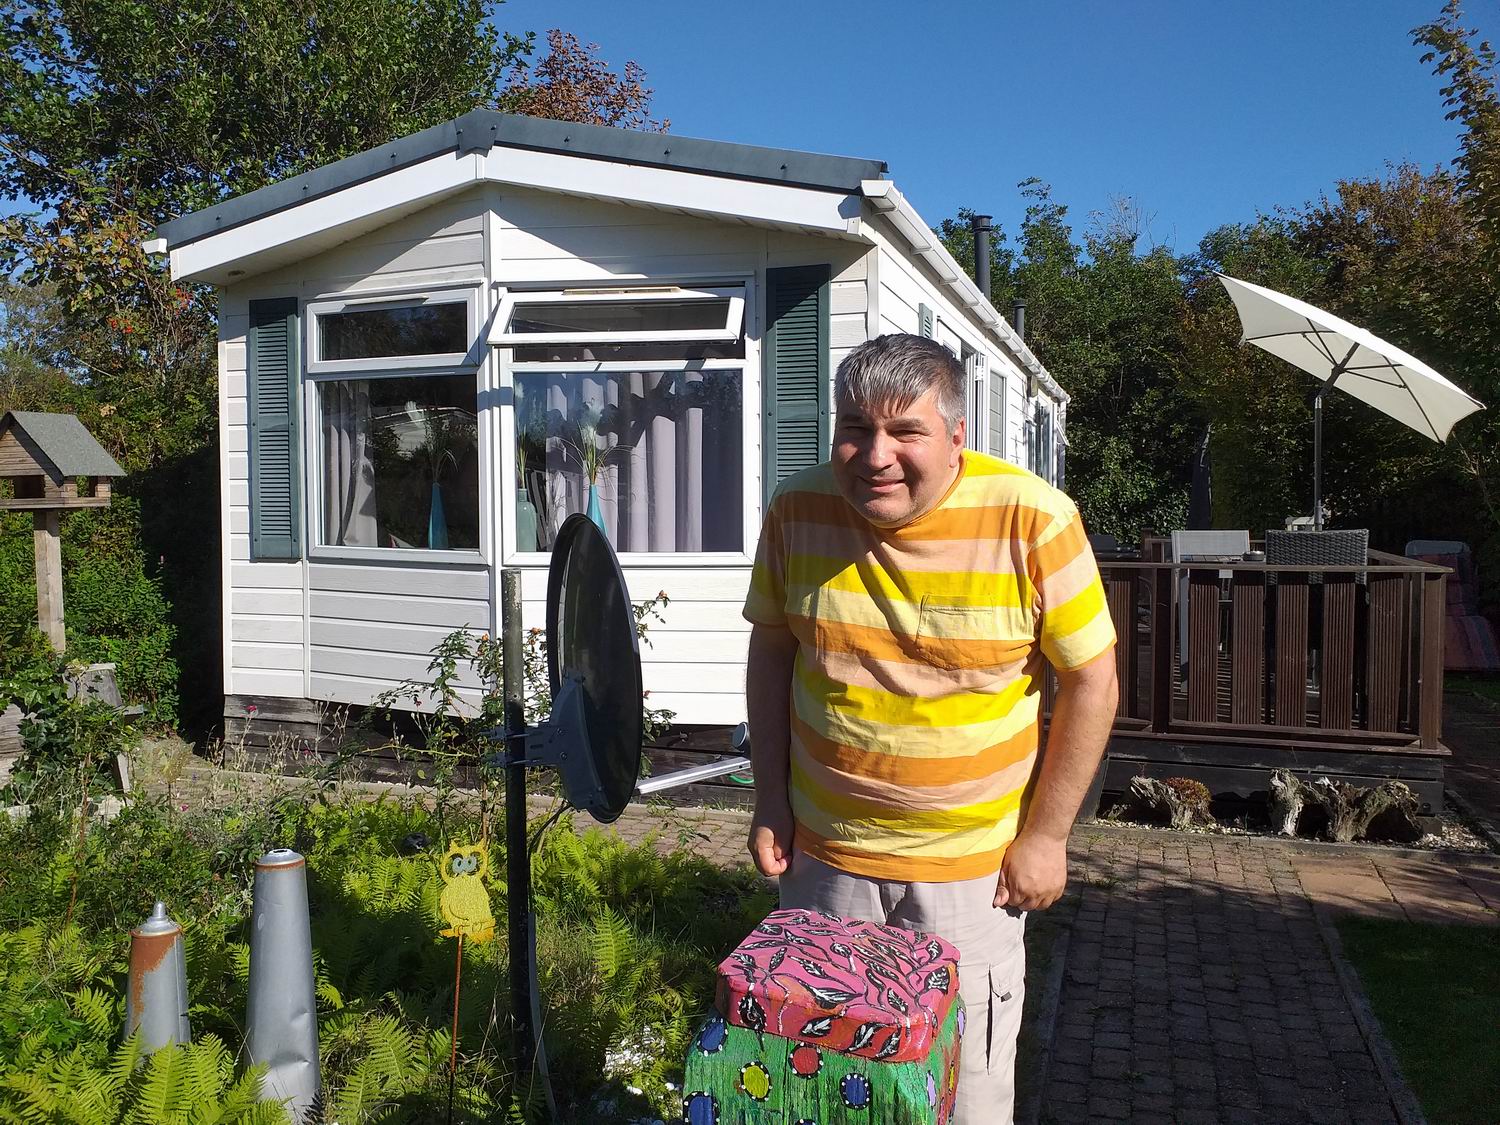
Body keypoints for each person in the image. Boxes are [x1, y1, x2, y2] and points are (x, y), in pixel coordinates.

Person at [742, 333, 1119, 1124]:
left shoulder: (1034, 519)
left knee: (964, 1094)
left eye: (905, 431)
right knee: (823, 1093)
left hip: (972, 877)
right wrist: (769, 799)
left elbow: (1091, 679)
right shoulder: (796, 508)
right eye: (855, 427)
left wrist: (1048, 835)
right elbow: (773, 649)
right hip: (824, 864)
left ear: (955, 437)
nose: (875, 455)